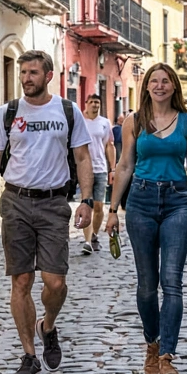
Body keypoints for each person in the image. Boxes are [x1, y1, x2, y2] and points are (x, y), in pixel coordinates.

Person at [0, 50, 95, 374]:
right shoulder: (8, 113)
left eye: (33, 73)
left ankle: (49, 325)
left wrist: (87, 200)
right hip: (15, 202)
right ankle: (28, 354)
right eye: (23, 73)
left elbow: (83, 158)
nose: (26, 78)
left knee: (55, 282)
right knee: (22, 280)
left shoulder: (68, 111)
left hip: (54, 204)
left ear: (48, 76)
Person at [106, 64, 187, 374]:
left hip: (179, 201)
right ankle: (151, 344)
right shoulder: (133, 121)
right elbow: (125, 165)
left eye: (166, 81)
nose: (161, 86)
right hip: (141, 201)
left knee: (172, 281)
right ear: (147, 87)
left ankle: (167, 356)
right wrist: (112, 209)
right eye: (155, 81)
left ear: (175, 87)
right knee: (147, 284)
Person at [80, 95, 116, 255]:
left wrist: (112, 168)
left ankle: (94, 235)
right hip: (84, 169)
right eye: (92, 102)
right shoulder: (80, 121)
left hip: (100, 167)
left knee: (99, 206)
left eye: (97, 102)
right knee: (86, 204)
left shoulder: (104, 123)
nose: (95, 105)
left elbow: (110, 145)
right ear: (86, 104)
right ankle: (87, 241)